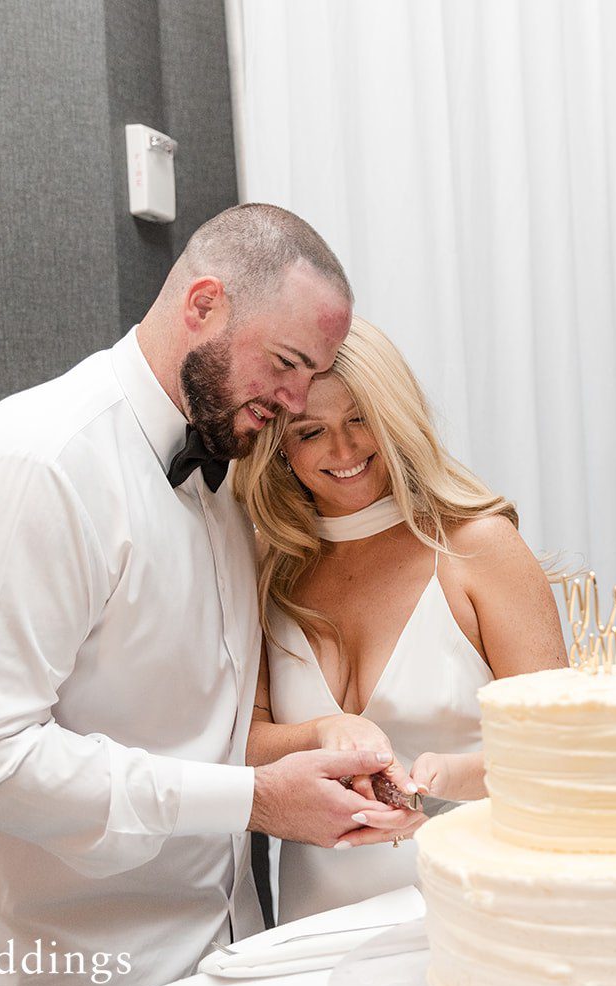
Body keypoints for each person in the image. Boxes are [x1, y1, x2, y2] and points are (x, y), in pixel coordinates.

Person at [0, 206, 422, 986]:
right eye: (287, 365)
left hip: (213, 961)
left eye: (315, 373)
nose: (297, 403)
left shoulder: (226, 472)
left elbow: (184, 725)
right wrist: (256, 800)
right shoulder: (34, 466)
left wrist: (307, 750)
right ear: (205, 302)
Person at [234, 316, 568, 923]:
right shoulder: (267, 570)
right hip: (312, 932)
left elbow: (561, 751)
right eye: (312, 432)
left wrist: (440, 785)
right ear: (280, 446)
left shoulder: (477, 547)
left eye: (362, 420)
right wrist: (321, 733)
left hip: (482, 915)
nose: (343, 451)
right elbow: (240, 747)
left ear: (397, 419)